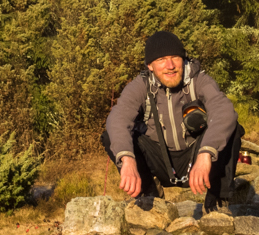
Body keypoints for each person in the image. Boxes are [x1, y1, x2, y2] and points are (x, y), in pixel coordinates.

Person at [101, 30, 243, 211]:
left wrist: (206, 152)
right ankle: (149, 191)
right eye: (161, 60)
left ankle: (218, 197)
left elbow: (224, 111)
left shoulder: (199, 80)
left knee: (232, 129)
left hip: (195, 154)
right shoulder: (141, 86)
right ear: (150, 65)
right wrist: (127, 160)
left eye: (175, 57)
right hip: (159, 158)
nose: (170, 65)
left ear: (183, 59)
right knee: (110, 136)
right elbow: (118, 119)